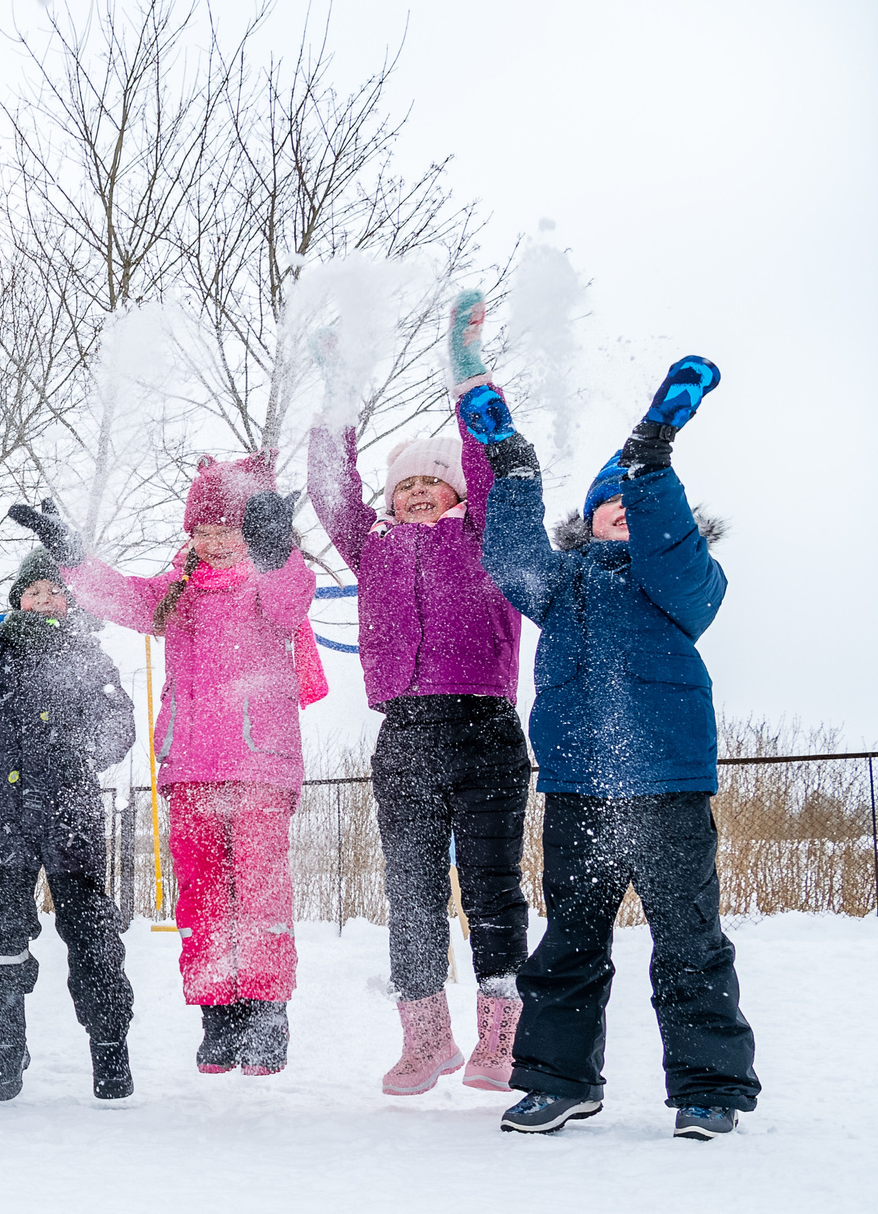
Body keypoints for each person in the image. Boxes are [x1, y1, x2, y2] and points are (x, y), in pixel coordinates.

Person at [462, 358, 759, 1139]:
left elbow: (678, 559)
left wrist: (651, 462)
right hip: (579, 790)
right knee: (569, 940)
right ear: (585, 519)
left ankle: (709, 1084)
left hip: (666, 787)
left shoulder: (681, 580)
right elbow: (511, 560)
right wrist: (514, 468)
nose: (620, 510)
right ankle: (560, 1080)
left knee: (689, 940)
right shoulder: (560, 585)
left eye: (634, 502)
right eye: (608, 502)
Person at [308, 292, 532, 1096]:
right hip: (404, 733)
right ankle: (425, 1036)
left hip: (485, 727)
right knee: (410, 888)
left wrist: (466, 370)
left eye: (431, 485)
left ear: (458, 496)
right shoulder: (371, 550)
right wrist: (336, 395)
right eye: (404, 487)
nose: (417, 494)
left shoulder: (484, 537)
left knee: (492, 882)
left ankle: (501, 1036)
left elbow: (486, 462)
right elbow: (331, 489)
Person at [59, 455, 324, 1075]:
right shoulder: (178, 591)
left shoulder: (270, 579)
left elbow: (293, 603)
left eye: (229, 529)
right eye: (204, 530)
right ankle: (217, 1011)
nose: (215, 540)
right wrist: (72, 559)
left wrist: (278, 545)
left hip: (258, 760)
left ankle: (265, 1009)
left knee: (258, 889)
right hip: (191, 764)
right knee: (201, 893)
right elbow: (122, 598)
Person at [0, 504, 139, 1101]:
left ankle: (108, 1047)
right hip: (0, 810)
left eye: (57, 590)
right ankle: (4, 1046)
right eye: (35, 590)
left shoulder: (90, 659)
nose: (47, 597)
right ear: (18, 599)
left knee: (91, 930)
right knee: (0, 931)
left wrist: (75, 754)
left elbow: (119, 726)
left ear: (71, 601)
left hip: (69, 809)